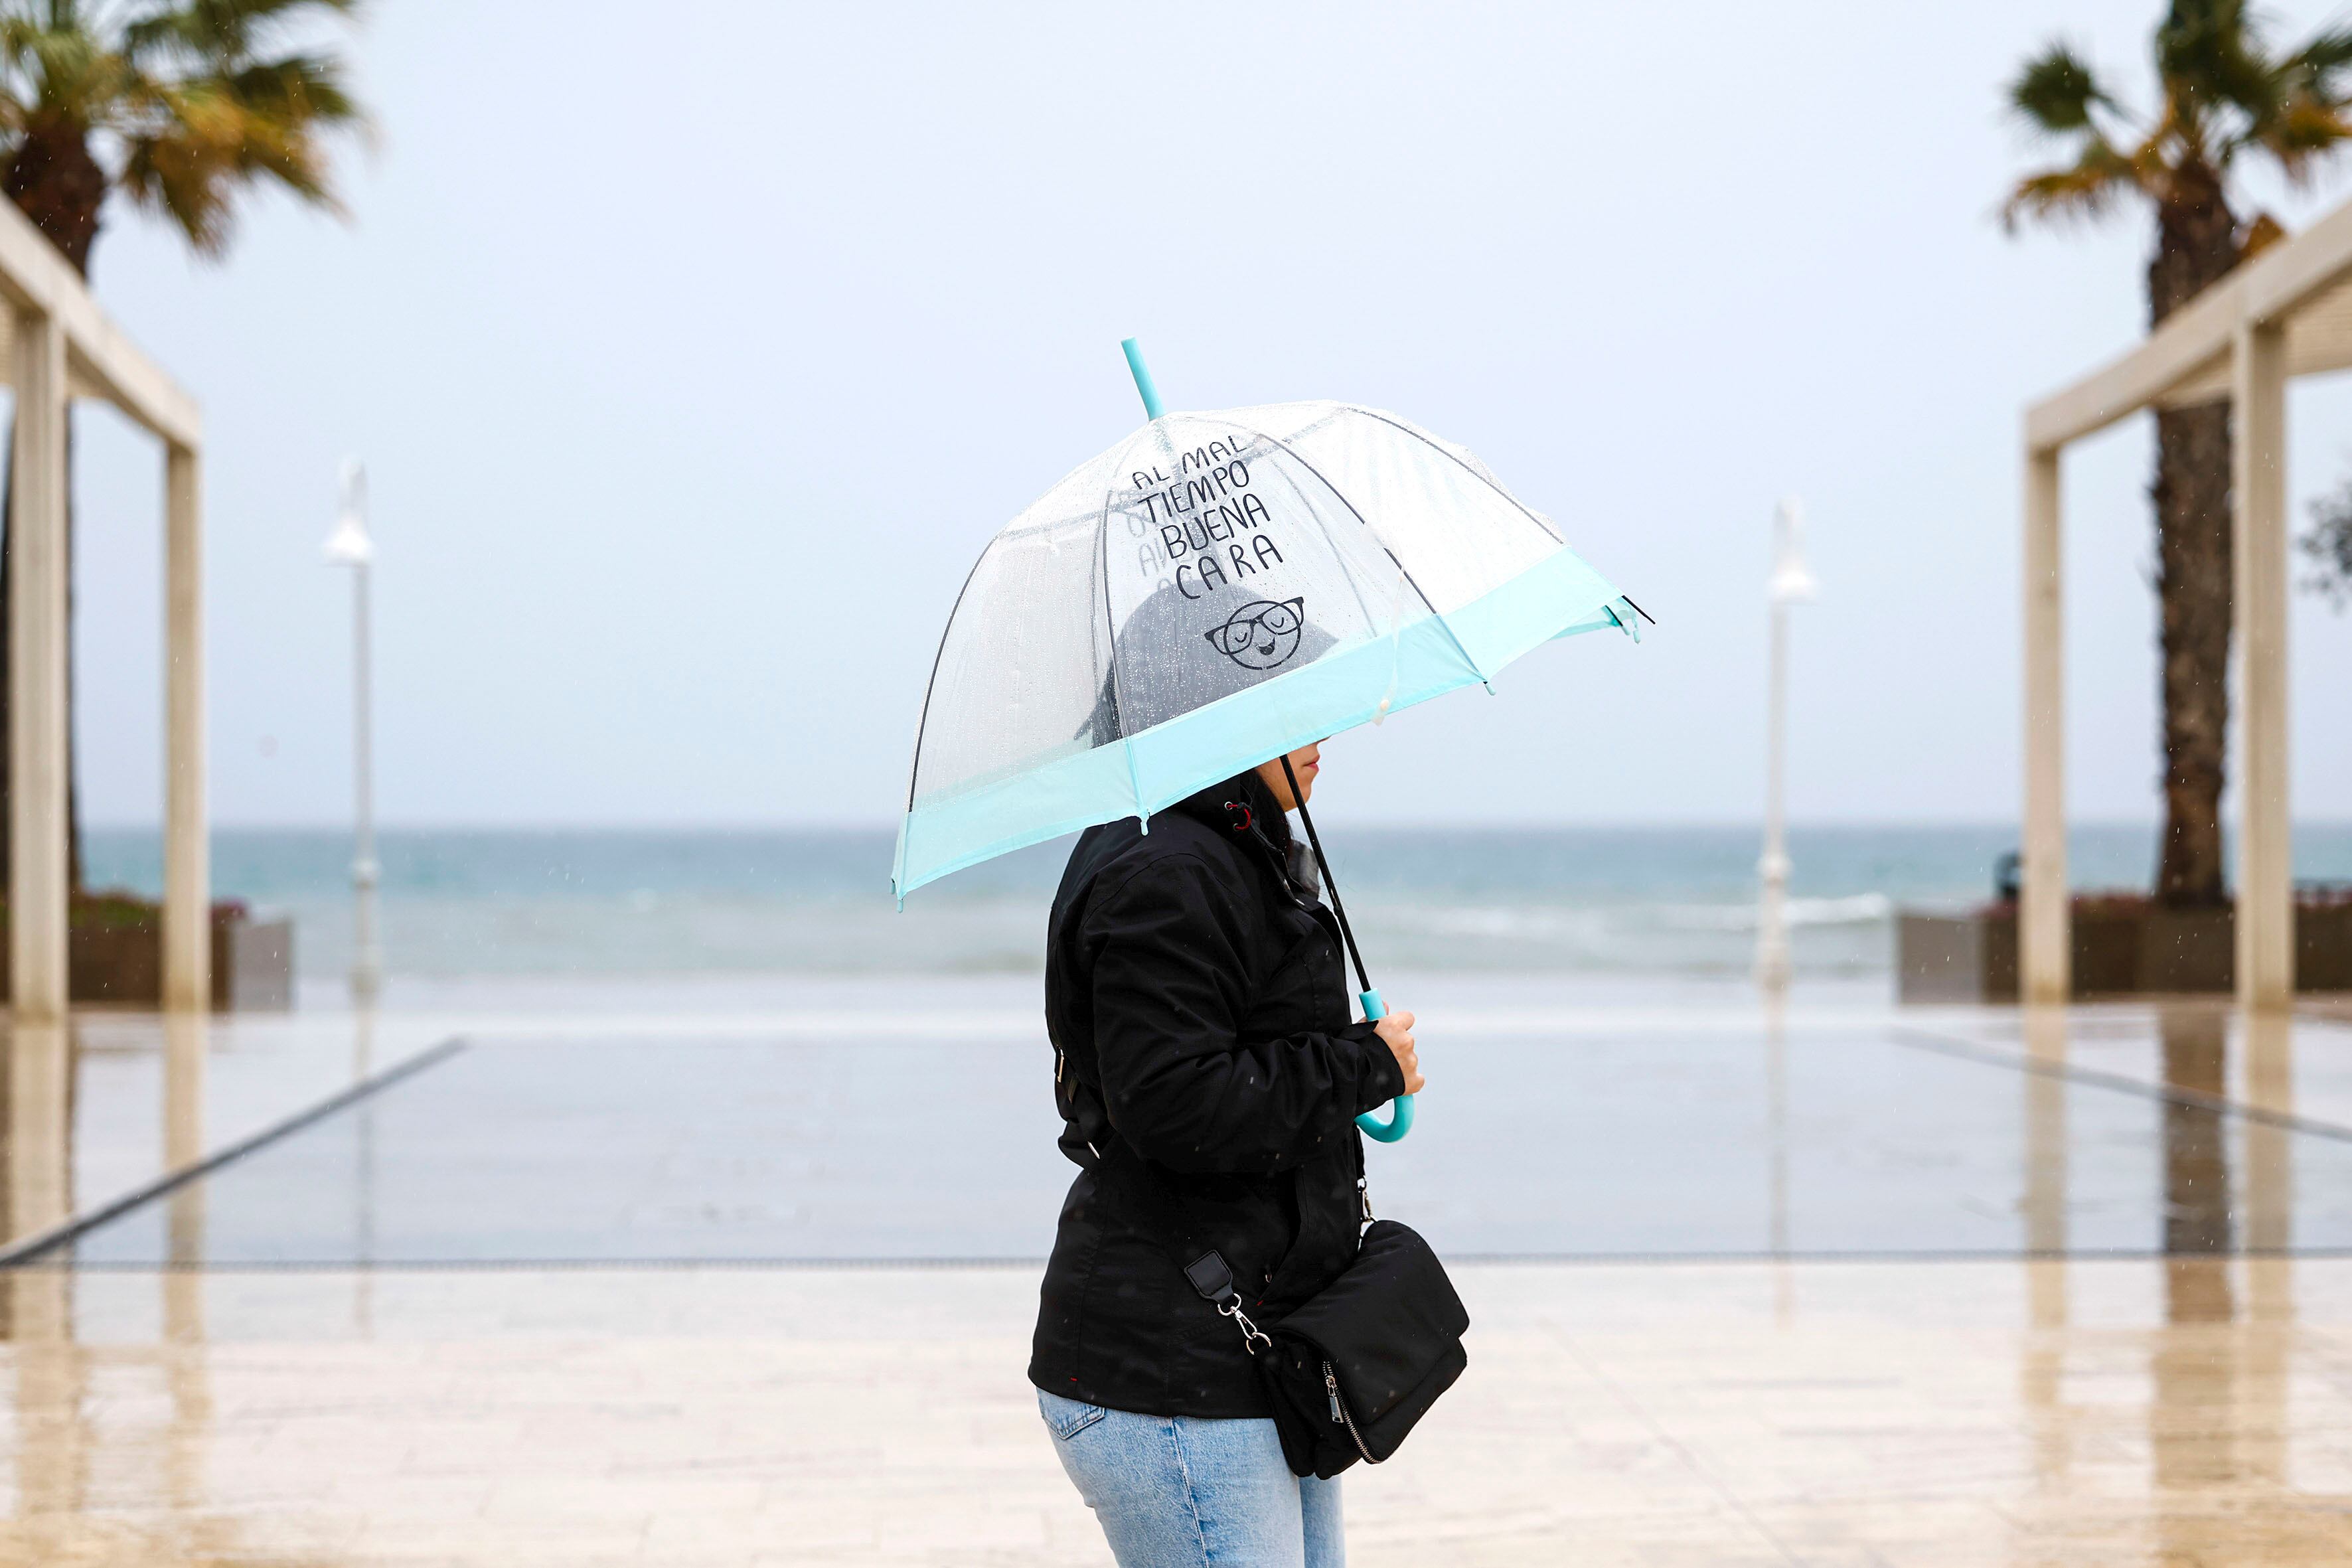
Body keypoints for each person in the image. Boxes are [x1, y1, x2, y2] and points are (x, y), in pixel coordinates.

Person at [1031, 739, 1424, 1568]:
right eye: (1296, 712)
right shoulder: (1165, 869)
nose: (1322, 741)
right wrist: (1365, 1065)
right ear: (1222, 720)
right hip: (1174, 1376)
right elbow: (1178, 1103)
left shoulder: (1231, 845)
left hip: (1260, 1353)